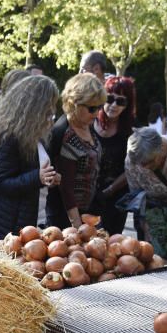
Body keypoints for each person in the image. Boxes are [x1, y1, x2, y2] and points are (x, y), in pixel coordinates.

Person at [0, 75, 60, 239]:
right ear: (35, 106)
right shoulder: (9, 136)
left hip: (20, 219)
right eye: (50, 105)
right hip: (3, 226)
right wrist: (37, 177)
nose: (53, 110)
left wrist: (48, 178)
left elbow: (26, 174)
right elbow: (0, 183)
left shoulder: (33, 132)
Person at [46, 73, 107, 229]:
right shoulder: (64, 133)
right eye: (92, 108)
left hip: (89, 212)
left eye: (99, 107)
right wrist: (77, 225)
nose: (96, 113)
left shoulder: (87, 124)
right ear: (74, 103)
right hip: (67, 219)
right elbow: (64, 186)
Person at [93, 76, 136, 235]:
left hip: (115, 198)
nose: (113, 105)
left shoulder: (130, 133)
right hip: (86, 195)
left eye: (121, 101)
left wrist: (109, 190)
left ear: (127, 105)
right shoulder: (89, 123)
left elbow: (131, 169)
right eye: (110, 98)